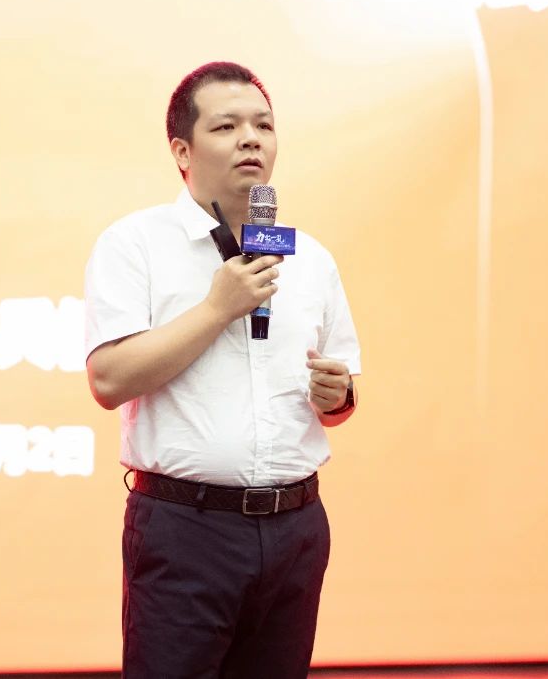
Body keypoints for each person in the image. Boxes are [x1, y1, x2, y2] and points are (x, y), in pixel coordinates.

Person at [83, 61, 362, 678]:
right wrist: (216, 309)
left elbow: (340, 401)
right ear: (182, 151)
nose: (250, 139)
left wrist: (337, 396)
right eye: (227, 126)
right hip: (187, 530)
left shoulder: (310, 258)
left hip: (296, 529)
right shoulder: (135, 244)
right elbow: (108, 380)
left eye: (263, 125)